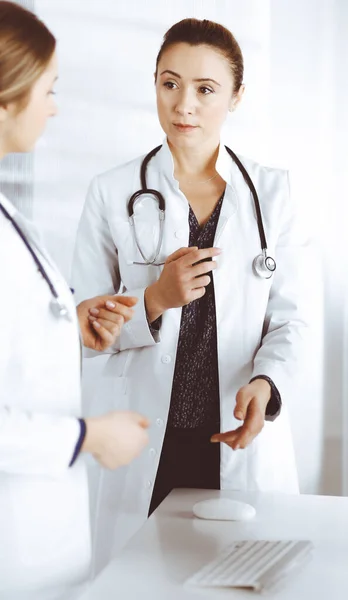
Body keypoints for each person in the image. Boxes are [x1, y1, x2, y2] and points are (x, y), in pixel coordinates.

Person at [72, 18, 308, 573]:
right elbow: (83, 331)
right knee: (137, 581)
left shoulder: (273, 194)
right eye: (169, 83)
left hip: (234, 433)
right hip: (145, 441)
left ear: (236, 97)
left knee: (242, 582)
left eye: (206, 89)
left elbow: (292, 319)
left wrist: (267, 383)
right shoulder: (111, 193)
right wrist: (153, 299)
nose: (184, 105)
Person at [0, 2, 149, 598]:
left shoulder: (9, 214)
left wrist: (69, 325)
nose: (54, 107)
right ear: (7, 96)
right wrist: (88, 436)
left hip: (40, 548)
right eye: (48, 90)